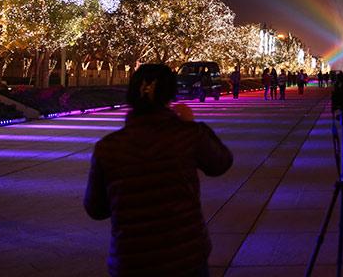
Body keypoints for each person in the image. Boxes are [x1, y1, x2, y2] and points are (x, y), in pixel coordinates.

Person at [84, 64, 233, 276]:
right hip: (185, 256)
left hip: (131, 260)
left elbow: (96, 209)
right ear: (170, 94)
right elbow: (221, 163)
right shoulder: (186, 135)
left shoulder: (108, 147)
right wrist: (192, 125)